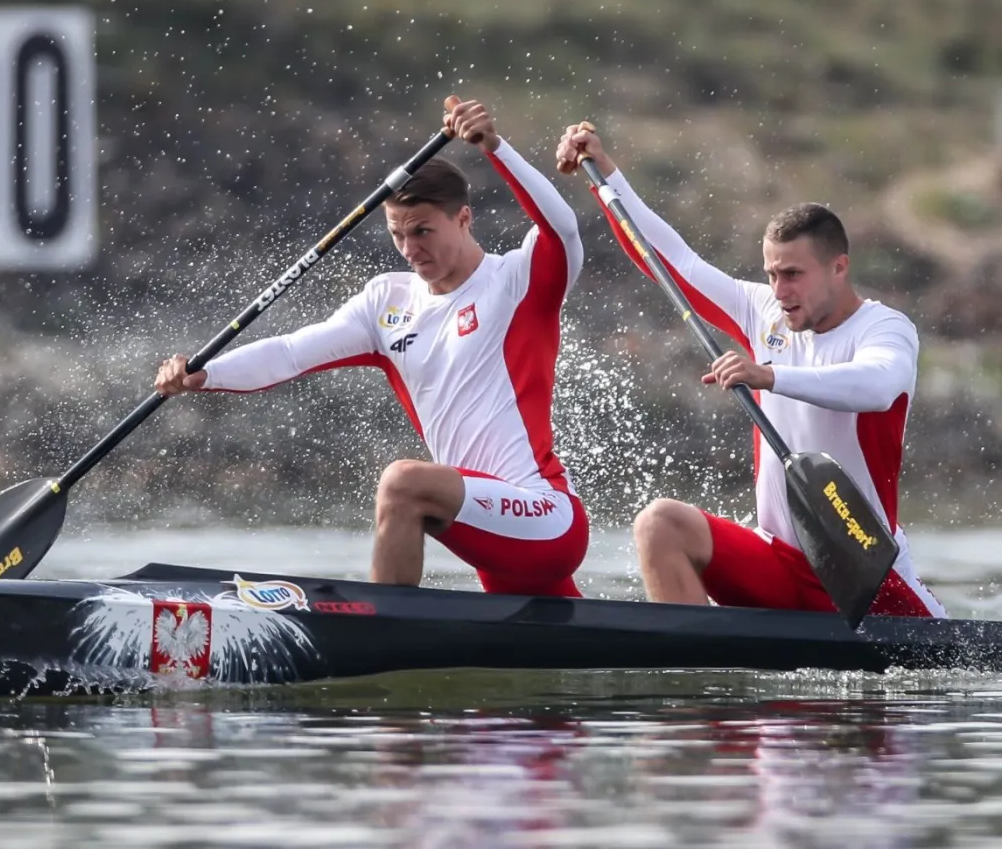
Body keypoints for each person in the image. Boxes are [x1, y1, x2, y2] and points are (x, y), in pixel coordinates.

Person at [154, 96, 588, 596]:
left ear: (464, 219)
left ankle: (379, 622)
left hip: (543, 517)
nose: (410, 249)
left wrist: (495, 147)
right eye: (398, 234)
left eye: (423, 231)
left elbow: (562, 228)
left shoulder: (518, 281)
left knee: (403, 484)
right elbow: (292, 353)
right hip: (485, 527)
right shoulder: (388, 302)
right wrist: (204, 373)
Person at [555, 124, 945, 618]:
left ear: (839, 268)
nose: (779, 290)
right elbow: (670, 262)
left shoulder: (885, 328)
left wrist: (770, 376)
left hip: (863, 571)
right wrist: (603, 174)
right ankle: (691, 678)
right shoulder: (763, 311)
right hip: (778, 563)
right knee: (661, 524)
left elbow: (877, 386)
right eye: (771, 274)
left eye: (793, 275)